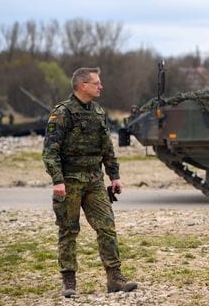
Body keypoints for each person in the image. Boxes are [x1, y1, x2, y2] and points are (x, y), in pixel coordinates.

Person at [42, 67, 137, 298]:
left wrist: (114, 176)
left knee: (106, 227)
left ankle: (115, 278)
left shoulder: (98, 112)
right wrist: (58, 180)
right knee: (68, 230)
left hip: (94, 180)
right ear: (83, 86)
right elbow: (50, 151)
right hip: (70, 180)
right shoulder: (62, 113)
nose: (101, 86)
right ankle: (68, 282)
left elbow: (107, 148)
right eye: (96, 83)